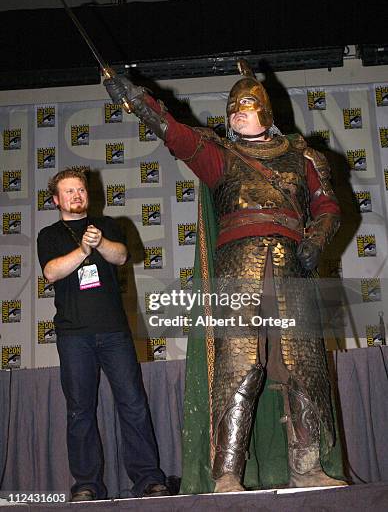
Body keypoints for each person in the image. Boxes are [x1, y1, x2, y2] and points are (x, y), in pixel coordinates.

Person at [104, 62, 347, 493]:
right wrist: (138, 101)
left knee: (301, 367)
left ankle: (307, 467)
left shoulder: (302, 155)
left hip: (290, 264)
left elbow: (326, 205)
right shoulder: (220, 155)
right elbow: (175, 133)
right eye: (233, 107)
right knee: (238, 368)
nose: (237, 112)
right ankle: (227, 474)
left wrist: (316, 239)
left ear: (266, 112)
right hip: (239, 267)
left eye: (247, 106)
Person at [37, 169, 169, 501]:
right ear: (56, 200)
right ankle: (86, 484)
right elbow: (51, 272)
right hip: (73, 336)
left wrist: (99, 243)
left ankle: (149, 479)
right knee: (80, 410)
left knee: (134, 404)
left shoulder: (108, 226)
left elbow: (122, 256)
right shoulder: (49, 234)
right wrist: (82, 250)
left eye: (80, 189)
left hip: (114, 333)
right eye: (68, 191)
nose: (76, 195)